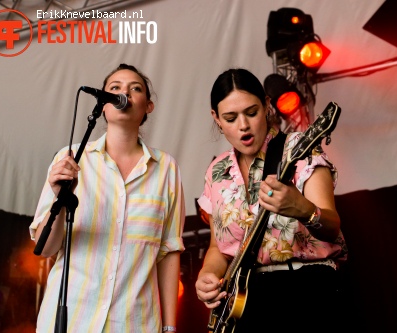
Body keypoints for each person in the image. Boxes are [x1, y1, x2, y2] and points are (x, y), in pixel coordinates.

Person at [30, 64, 185, 333]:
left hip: (135, 323)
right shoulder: (70, 159)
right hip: (71, 320)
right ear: (102, 104)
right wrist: (60, 197)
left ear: (148, 106)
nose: (124, 92)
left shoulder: (165, 168)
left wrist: (170, 327)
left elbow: (169, 253)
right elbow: (45, 249)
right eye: (114, 88)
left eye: (135, 88)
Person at [195, 68, 347, 332]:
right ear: (216, 118)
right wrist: (207, 275)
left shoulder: (300, 149)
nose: (243, 125)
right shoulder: (216, 172)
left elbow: (332, 225)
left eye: (251, 112)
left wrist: (304, 209)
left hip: (307, 289)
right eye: (230, 118)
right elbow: (218, 247)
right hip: (246, 302)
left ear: (267, 105)